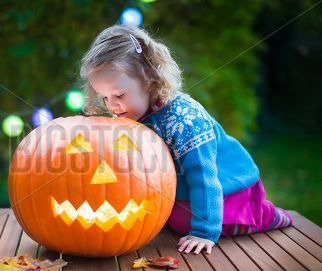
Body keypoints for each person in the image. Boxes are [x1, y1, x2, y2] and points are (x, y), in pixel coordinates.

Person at [79, 25, 293, 255]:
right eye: (104, 97)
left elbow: (204, 177)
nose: (112, 106)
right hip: (180, 194)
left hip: (227, 190)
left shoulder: (184, 120)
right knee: (174, 219)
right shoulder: (130, 114)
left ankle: (268, 215)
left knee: (184, 222)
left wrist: (204, 232)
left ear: (149, 78)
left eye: (119, 95)